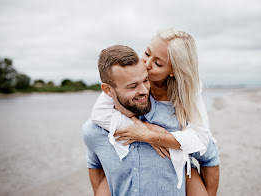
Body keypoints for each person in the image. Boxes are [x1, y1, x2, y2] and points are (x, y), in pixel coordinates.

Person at [89, 28, 220, 195]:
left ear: (174, 70)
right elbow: (99, 113)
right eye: (146, 53)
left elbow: (201, 141)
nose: (146, 64)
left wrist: (152, 136)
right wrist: (144, 127)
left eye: (158, 63)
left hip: (180, 164)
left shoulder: (188, 90)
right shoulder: (131, 78)